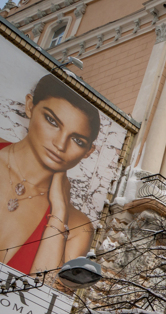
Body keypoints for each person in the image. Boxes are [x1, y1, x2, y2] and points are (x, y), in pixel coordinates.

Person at [0, 73, 101, 275]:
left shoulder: (77, 226)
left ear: (89, 151)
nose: (60, 145)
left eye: (77, 140)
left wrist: (58, 215)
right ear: (30, 106)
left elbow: (42, 298)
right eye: (52, 121)